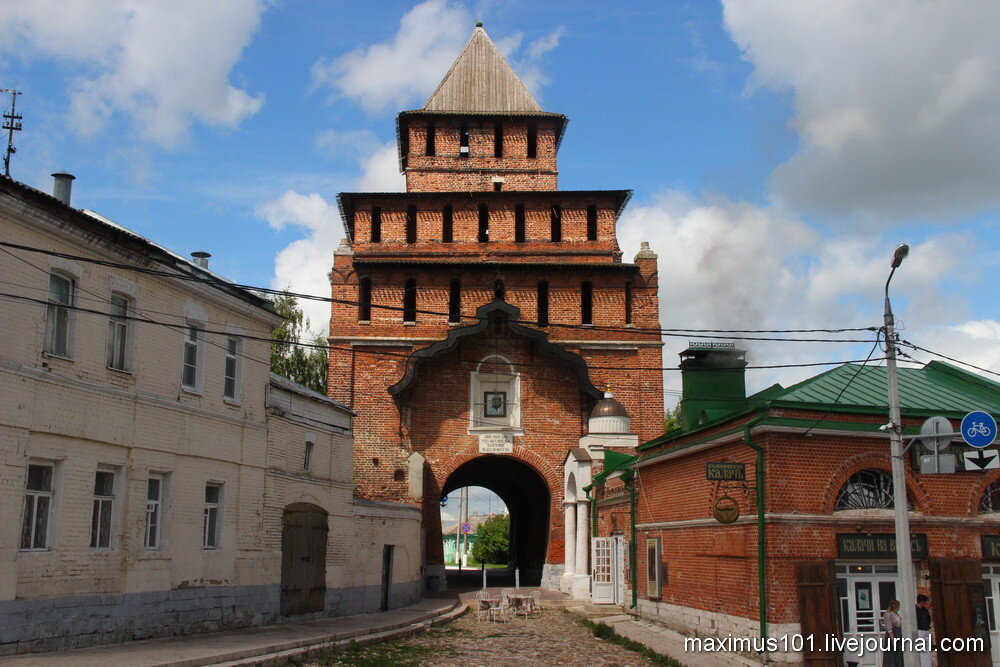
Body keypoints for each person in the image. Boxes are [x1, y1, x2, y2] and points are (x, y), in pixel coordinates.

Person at [882, 600, 903, 667]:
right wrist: (894, 640)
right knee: (891, 655)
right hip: (892, 636)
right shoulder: (888, 614)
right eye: (898, 606)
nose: (899, 607)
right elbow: (889, 629)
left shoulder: (896, 614)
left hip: (898, 634)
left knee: (898, 655)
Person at [915, 594, 932, 667]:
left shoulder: (925, 610)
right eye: (925, 602)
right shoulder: (915, 610)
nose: (926, 604)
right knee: (922, 651)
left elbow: (928, 619)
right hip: (920, 631)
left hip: (926, 630)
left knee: (927, 650)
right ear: (921, 602)